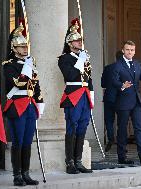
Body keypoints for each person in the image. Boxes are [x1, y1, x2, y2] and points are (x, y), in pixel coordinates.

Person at [3, 23, 45, 186]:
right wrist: (27, 67)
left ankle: (26, 173)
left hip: (29, 106)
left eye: (25, 45)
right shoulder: (9, 65)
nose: (25, 49)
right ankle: (17, 175)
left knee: (28, 141)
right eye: (21, 46)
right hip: (17, 106)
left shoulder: (30, 64)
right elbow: (17, 83)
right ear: (14, 48)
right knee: (18, 141)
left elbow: (37, 87)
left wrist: (40, 103)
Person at [58, 19, 94, 174]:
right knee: (72, 126)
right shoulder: (64, 58)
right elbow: (70, 75)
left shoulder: (83, 58)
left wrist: (91, 96)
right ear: (69, 42)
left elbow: (88, 79)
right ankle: (70, 162)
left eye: (80, 40)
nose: (80, 42)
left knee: (82, 126)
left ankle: (78, 161)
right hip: (73, 94)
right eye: (77, 40)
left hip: (84, 95)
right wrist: (80, 60)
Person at [101, 51, 123, 152]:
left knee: (109, 120)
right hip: (121, 98)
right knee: (122, 122)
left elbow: (103, 84)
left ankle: (111, 138)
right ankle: (121, 144)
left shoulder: (108, 68)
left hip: (109, 97)